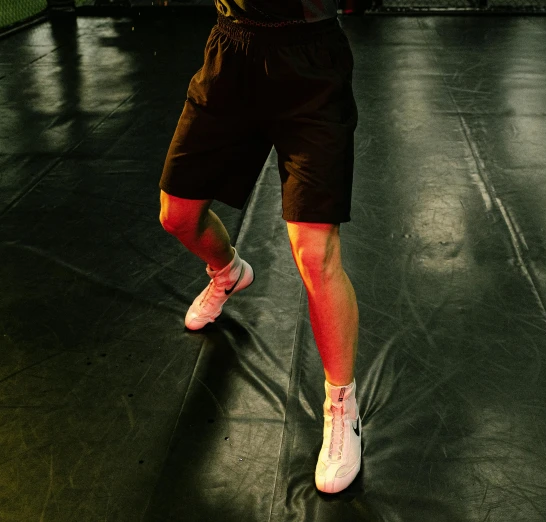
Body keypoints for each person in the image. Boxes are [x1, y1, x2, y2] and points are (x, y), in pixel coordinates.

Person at [159, 0, 361, 494]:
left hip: (311, 62)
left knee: (314, 253)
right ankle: (227, 271)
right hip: (232, 51)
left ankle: (342, 406)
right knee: (177, 216)